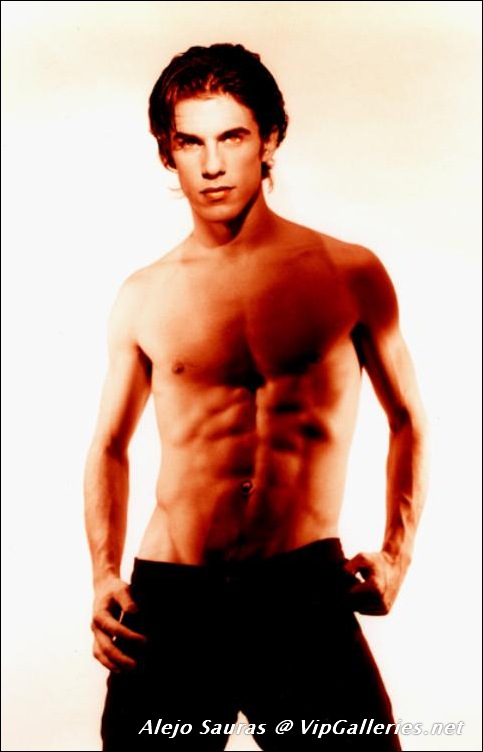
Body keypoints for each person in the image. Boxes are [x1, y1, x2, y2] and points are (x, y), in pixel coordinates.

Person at [84, 43, 428, 751]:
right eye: (191, 142)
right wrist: (103, 574)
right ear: (167, 153)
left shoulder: (349, 274)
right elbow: (110, 445)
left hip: (301, 595)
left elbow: (408, 421)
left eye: (232, 137)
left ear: (269, 139)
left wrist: (397, 554)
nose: (212, 165)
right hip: (173, 599)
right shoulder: (144, 295)